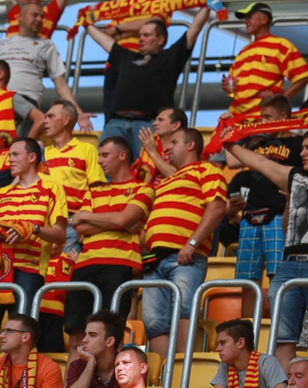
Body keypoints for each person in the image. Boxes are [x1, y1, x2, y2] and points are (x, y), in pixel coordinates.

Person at [0, 138, 67, 375]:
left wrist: (32, 229)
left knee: (19, 338)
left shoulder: (52, 188)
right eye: (9, 155)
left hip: (29, 270)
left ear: (32, 157)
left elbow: (60, 235)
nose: (10, 160)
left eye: (15, 154)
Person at [87, 0, 213, 161]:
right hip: (115, 123)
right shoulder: (126, 56)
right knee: (106, 167)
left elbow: (194, 29)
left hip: (148, 125)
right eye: (140, 35)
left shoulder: (170, 57)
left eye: (146, 35)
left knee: (148, 169)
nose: (140, 38)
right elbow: (103, 40)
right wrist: (85, 22)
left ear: (160, 39)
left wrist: (208, 1)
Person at [225, 132, 308, 370]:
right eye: (302, 147)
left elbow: (262, 163)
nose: (302, 153)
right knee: (282, 338)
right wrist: (227, 143)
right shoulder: (297, 177)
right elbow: (260, 163)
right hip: (291, 262)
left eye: (307, 148)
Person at [143, 129, 226, 364]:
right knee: (153, 322)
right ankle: (163, 376)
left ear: (191, 145)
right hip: (152, 260)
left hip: (185, 257)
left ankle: (180, 374)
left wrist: (191, 243)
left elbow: (217, 208)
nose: (167, 147)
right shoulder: (166, 181)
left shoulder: (207, 170)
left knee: (184, 310)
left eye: (174, 142)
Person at [66, 135, 154, 354]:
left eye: (105, 155)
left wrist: (89, 216)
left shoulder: (143, 189)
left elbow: (122, 219)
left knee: (112, 335)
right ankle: (76, 378)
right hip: (84, 265)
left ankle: (112, 377)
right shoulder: (93, 191)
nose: (99, 161)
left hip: (119, 264)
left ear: (122, 156)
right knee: (77, 335)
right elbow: (80, 227)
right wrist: (119, 222)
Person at [225, 94, 303, 318]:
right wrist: (229, 129)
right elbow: (231, 161)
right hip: (249, 218)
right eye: (261, 117)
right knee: (247, 281)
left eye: (268, 117)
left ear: (284, 116)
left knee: (278, 277)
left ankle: (278, 327)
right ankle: (247, 329)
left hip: (278, 216)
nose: (263, 121)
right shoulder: (259, 144)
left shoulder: (298, 144)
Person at [0, 4, 93, 136]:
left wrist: (78, 113)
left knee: (20, 147)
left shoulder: (46, 45)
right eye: (34, 15)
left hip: (27, 103)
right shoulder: (2, 43)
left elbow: (60, 84)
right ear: (20, 17)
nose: (39, 19)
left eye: (41, 17)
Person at [100, 0, 170, 117]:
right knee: (111, 116)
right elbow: (107, 32)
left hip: (143, 61)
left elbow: (156, 23)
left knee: (142, 115)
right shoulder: (127, 4)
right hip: (116, 63)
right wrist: (136, 26)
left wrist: (120, 29)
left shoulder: (164, 0)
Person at [223, 2, 308, 117]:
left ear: (264, 19)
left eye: (249, 17)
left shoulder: (280, 45)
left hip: (263, 120)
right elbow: (233, 91)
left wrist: (280, 99)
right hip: (237, 120)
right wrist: (229, 89)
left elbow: (303, 76)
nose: (245, 21)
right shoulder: (242, 52)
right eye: (245, 18)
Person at [42, 99, 104, 251]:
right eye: (45, 117)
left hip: (72, 222)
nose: (45, 121)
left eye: (50, 116)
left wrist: (87, 220)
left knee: (66, 265)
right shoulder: (41, 153)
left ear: (66, 120)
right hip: (42, 223)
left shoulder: (87, 150)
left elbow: (97, 189)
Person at [0, 59, 44, 147]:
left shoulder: (11, 98)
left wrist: (24, 147)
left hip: (6, 154)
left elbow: (41, 119)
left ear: (0, 74)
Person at [137, 107, 188, 183]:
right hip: (144, 190)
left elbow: (179, 177)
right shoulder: (149, 146)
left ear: (176, 125)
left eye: (160, 120)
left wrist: (153, 152)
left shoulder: (185, 150)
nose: (154, 124)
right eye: (156, 120)